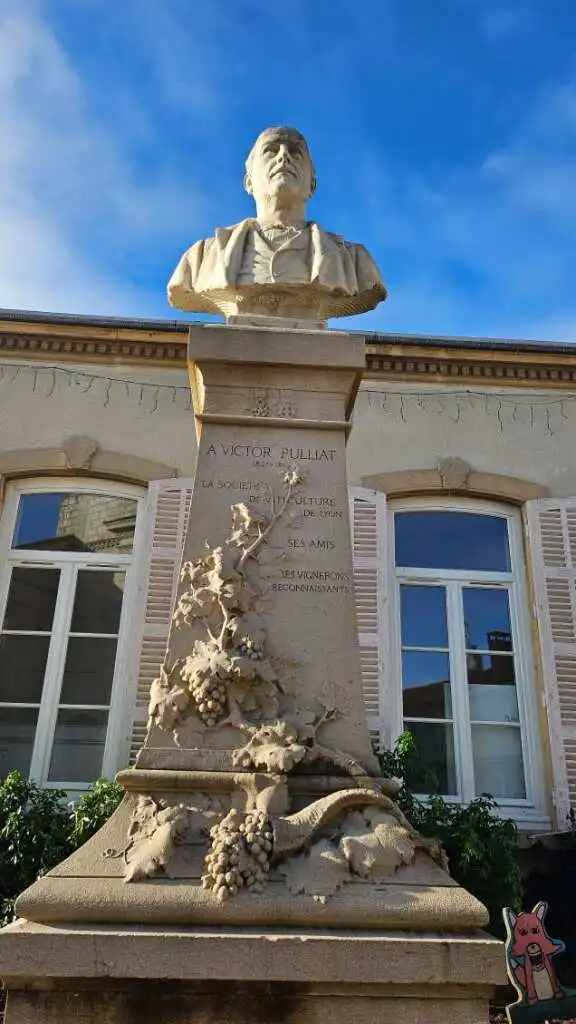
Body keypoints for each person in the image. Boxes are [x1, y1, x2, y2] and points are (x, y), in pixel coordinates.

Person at [167, 127, 387, 322]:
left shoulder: (354, 262)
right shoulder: (201, 258)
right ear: (249, 181)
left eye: (295, 152)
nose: (284, 156)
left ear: (312, 184)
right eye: (271, 150)